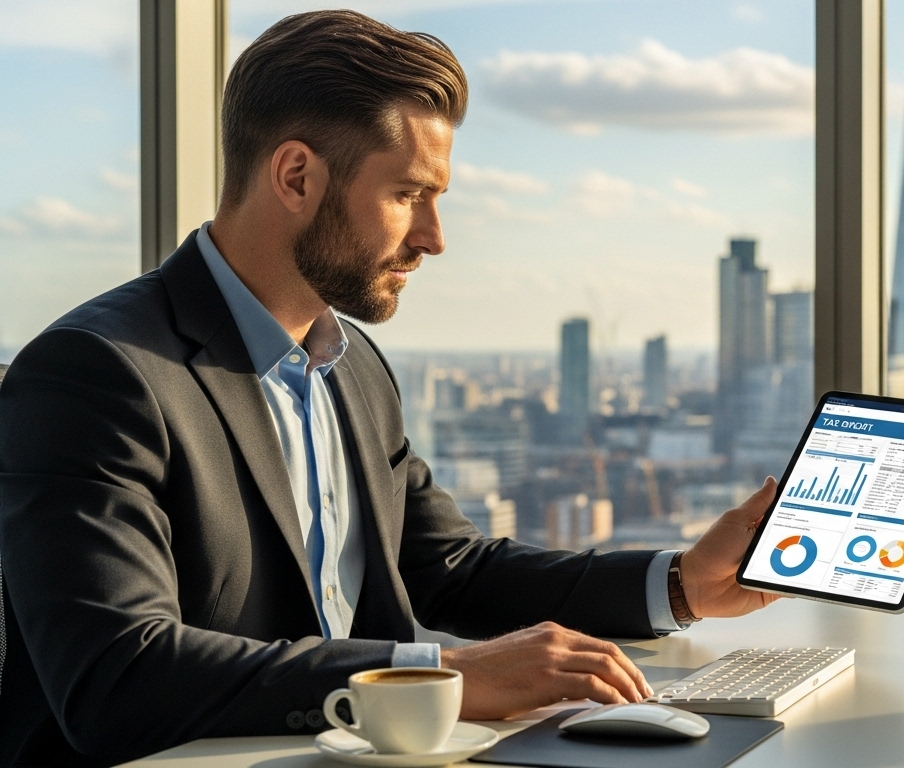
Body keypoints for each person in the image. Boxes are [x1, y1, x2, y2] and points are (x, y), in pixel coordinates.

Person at [0, 11, 781, 767]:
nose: (435, 237)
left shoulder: (352, 365)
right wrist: (432, 678)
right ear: (296, 176)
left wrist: (679, 583)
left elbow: (448, 570)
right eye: (409, 194)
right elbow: (115, 678)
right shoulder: (95, 374)